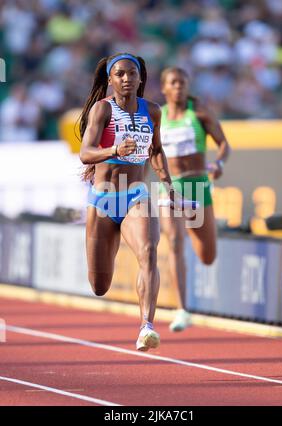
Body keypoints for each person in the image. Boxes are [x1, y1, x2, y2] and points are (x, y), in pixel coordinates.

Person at [79, 53, 175, 351]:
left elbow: (156, 150)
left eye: (132, 74)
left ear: (140, 78)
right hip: (103, 201)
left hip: (136, 195)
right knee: (99, 286)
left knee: (149, 250)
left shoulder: (153, 111)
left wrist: (169, 186)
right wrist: (114, 149)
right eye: (119, 74)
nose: (126, 79)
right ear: (110, 79)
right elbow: (85, 153)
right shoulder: (102, 110)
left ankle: (147, 326)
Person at [159, 67, 231, 332]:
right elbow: (150, 153)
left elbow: (224, 143)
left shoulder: (199, 112)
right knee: (175, 242)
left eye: (183, 83)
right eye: (173, 83)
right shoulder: (159, 116)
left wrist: (220, 163)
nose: (178, 87)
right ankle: (182, 310)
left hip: (198, 186)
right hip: (170, 189)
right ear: (165, 88)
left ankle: (193, 228)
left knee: (207, 256)